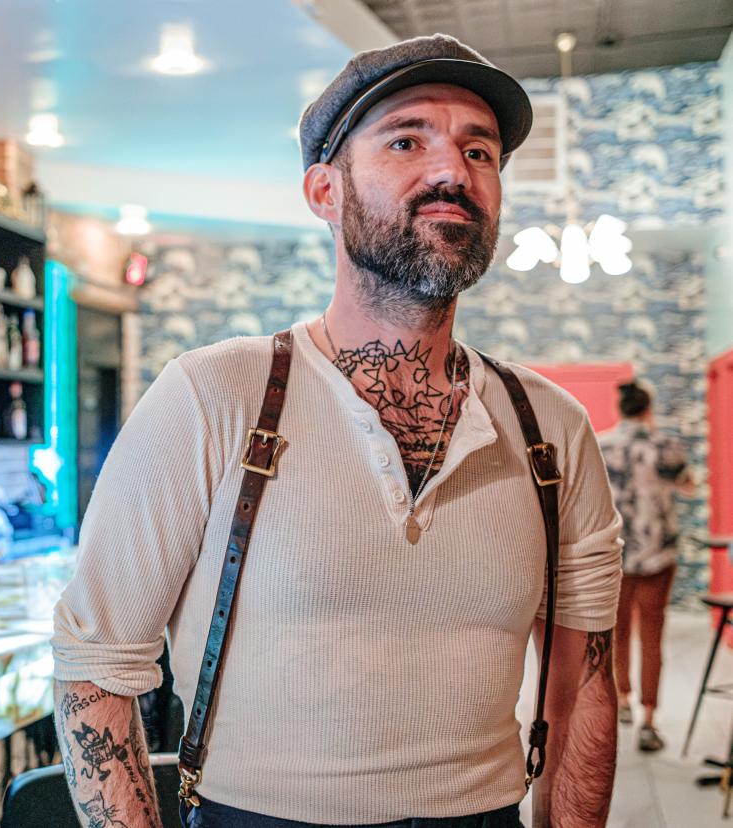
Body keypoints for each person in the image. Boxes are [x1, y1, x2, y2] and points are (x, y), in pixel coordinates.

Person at [51, 33, 623, 828]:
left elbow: (584, 684)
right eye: (406, 139)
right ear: (324, 190)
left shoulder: (550, 430)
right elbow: (95, 667)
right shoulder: (214, 396)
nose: (453, 171)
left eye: (480, 151)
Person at [599, 379, 695, 753]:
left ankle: (622, 700)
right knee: (652, 636)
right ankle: (649, 718)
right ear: (648, 408)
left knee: (616, 631)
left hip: (615, 554)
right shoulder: (665, 446)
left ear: (620, 407)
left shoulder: (600, 444)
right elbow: (687, 485)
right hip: (657, 553)